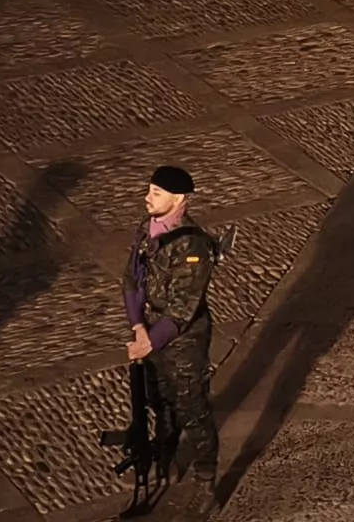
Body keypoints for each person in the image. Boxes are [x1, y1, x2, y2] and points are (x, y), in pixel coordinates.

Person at [121, 166, 220, 504]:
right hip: (150, 330)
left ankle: (206, 479)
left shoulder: (193, 246)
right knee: (159, 401)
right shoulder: (146, 229)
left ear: (178, 200)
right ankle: (166, 458)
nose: (147, 197)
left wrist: (149, 340)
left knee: (192, 406)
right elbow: (131, 279)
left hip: (183, 340)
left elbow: (182, 309)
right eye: (149, 189)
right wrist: (137, 325)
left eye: (157, 192)